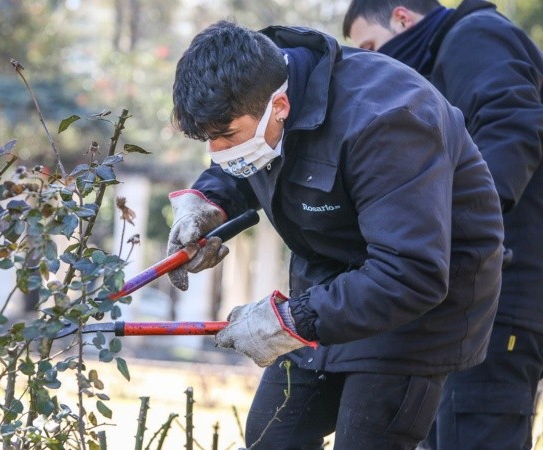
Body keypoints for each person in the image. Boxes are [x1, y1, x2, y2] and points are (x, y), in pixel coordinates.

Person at [165, 20, 504, 449]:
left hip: (416, 302)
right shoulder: (259, 90)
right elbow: (247, 159)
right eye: (209, 140)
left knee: (366, 438)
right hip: (331, 283)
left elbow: (411, 273)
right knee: (273, 437)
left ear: (280, 105)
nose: (217, 153)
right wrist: (206, 203)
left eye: (226, 136)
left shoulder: (387, 121)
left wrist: (293, 319)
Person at [343, 1, 543, 448]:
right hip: (470, 295)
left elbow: (512, 124)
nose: (371, 61)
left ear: (402, 18)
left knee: (474, 433)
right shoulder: (436, 66)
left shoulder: (475, 35)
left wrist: (457, 227)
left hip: (502, 290)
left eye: (371, 46)